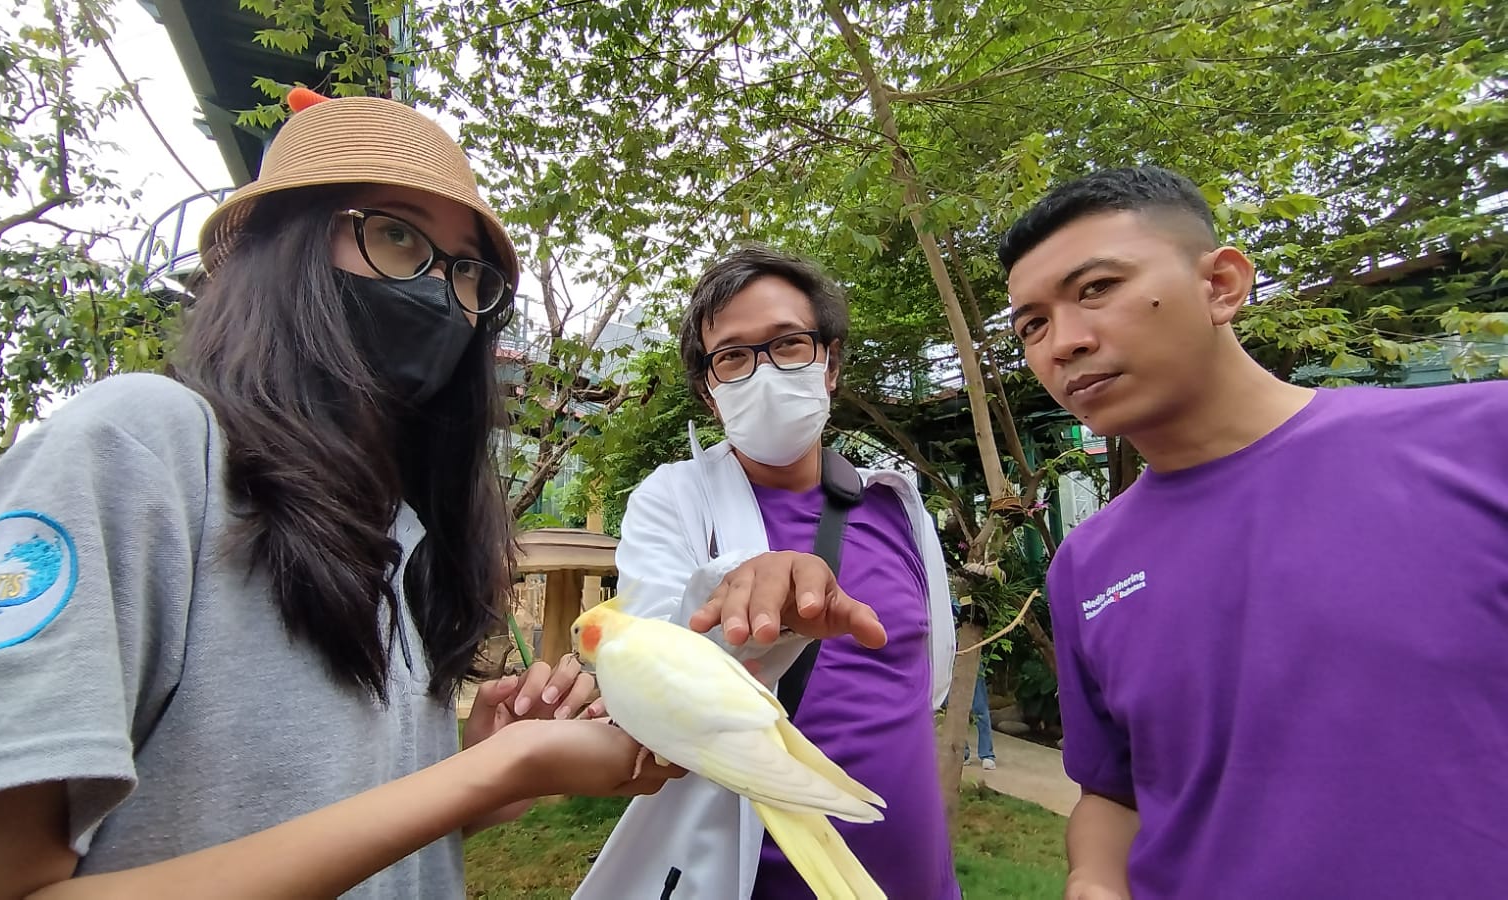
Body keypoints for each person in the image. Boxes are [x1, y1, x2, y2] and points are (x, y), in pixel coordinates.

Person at [0, 88, 681, 899]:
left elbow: (300, 817)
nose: (440, 294)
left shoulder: (405, 530)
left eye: (465, 272)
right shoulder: (143, 446)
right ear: (284, 247)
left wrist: (478, 773)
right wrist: (489, 775)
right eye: (393, 234)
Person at [1001, 165, 1508, 900]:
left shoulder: (1479, 443)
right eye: (1033, 325)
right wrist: (1096, 875)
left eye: (1097, 289)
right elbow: (1114, 792)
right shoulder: (1087, 563)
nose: (1064, 343)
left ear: (1222, 286)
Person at [574, 246, 959, 899]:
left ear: (830, 363)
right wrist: (746, 584)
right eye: (732, 356)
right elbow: (655, 679)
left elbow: (929, 686)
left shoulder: (897, 505)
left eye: (787, 344)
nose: (762, 372)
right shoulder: (672, 502)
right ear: (710, 392)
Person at [963, 604, 997, 770]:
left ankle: (987, 754)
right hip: (949, 656)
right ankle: (962, 753)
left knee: (979, 707)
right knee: (952, 708)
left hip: (972, 655)